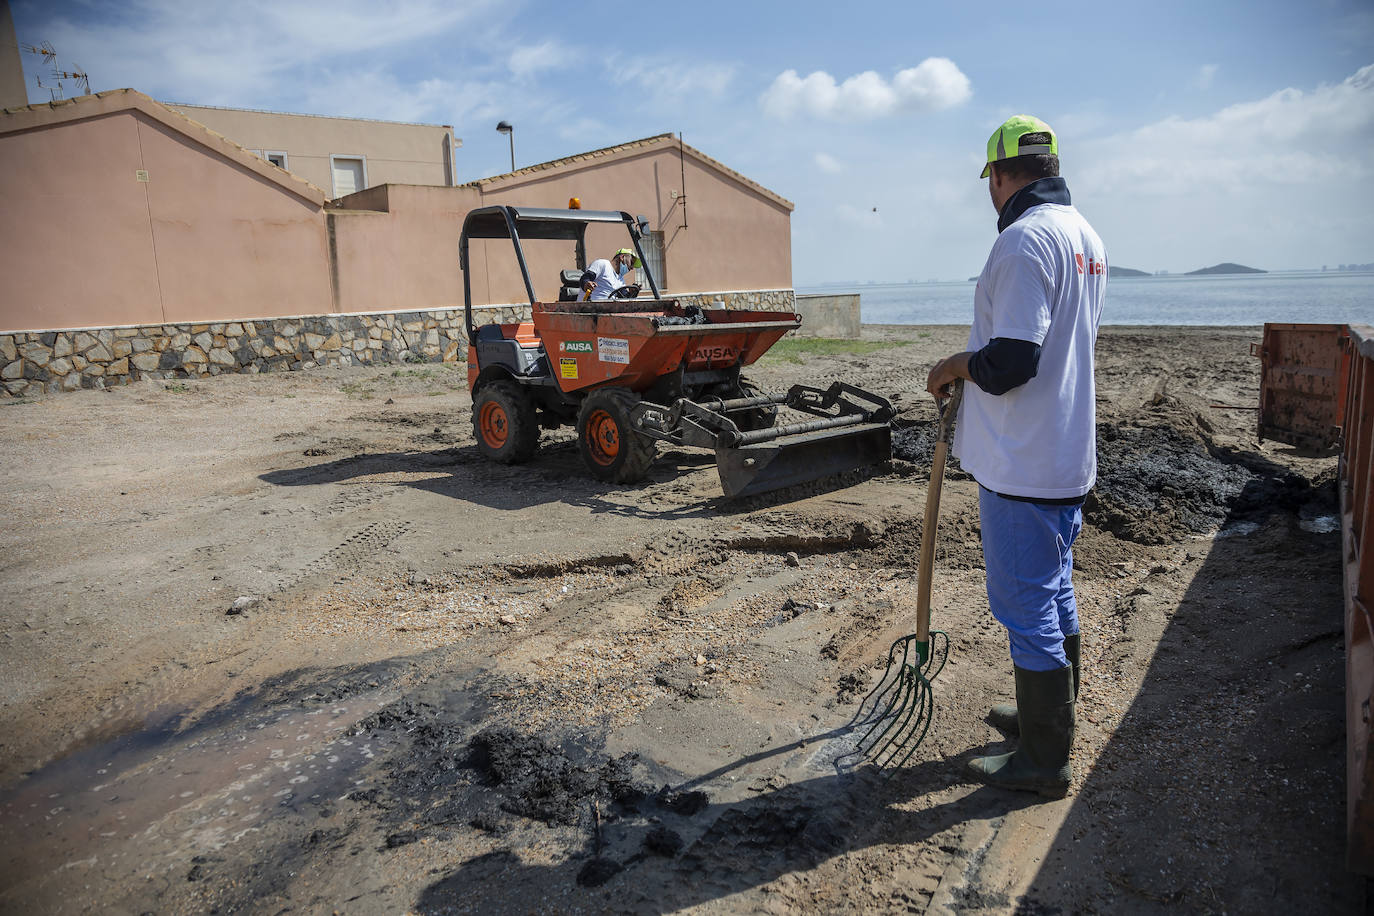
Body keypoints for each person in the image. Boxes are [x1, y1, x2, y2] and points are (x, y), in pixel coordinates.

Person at [925, 115, 1107, 798]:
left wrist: (951, 365)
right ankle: (1047, 718)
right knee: (1054, 591)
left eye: (990, 180)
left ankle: (1043, 758)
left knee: (1025, 603)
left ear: (1000, 177)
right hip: (1062, 454)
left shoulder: (1024, 241)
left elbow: (1011, 363)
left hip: (1024, 462)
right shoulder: (1084, 236)